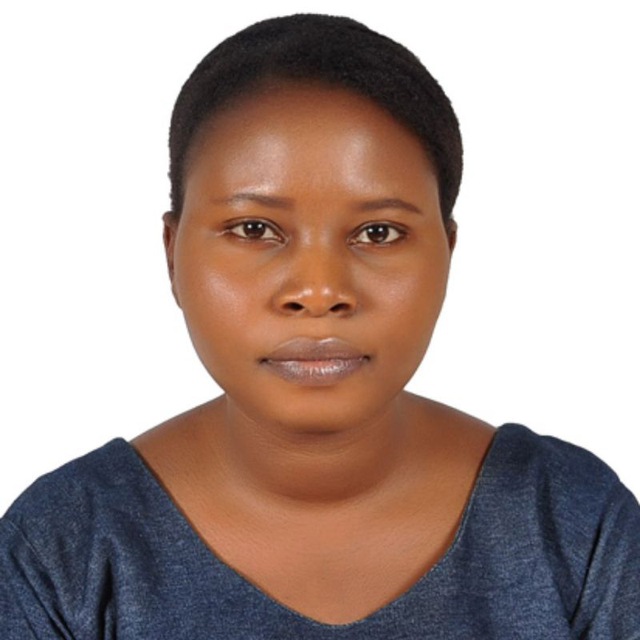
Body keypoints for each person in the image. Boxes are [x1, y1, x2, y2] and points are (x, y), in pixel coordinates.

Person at [1, 13, 638, 639]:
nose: (319, 292)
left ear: (447, 253)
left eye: (378, 232)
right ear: (172, 256)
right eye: (254, 229)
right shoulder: (60, 553)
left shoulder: (576, 528)